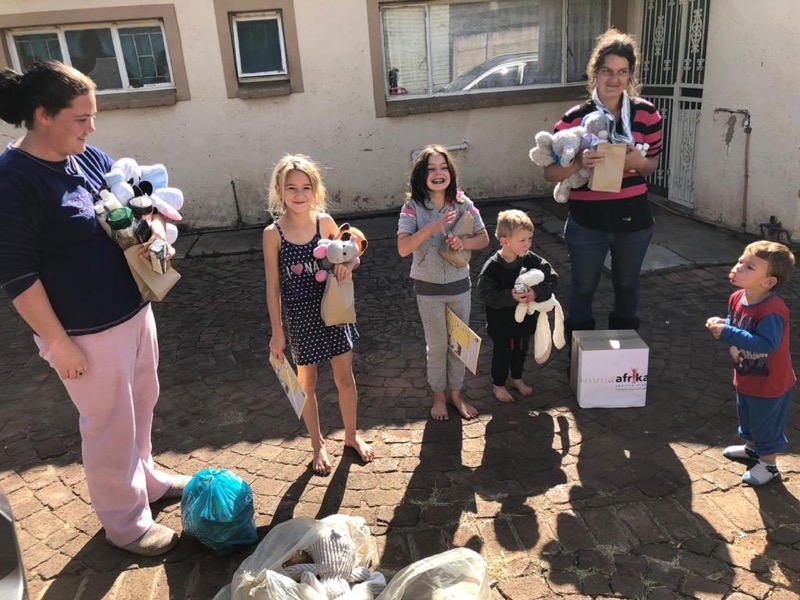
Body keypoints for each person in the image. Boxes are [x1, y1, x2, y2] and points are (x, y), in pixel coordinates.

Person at [0, 61, 189, 556]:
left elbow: (139, 200)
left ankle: (146, 479)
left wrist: (157, 230)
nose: (91, 129)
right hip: (84, 332)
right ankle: (125, 523)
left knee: (142, 401)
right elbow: (17, 275)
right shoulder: (13, 180)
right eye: (81, 119)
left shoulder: (85, 156)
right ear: (43, 115)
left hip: (133, 309)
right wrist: (58, 343)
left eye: (93, 117)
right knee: (108, 424)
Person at [542, 28, 662, 338]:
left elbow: (653, 164)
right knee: (583, 287)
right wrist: (579, 162)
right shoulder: (573, 119)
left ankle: (623, 355)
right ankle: (580, 353)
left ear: (630, 75)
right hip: (587, 221)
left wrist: (638, 163)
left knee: (627, 286)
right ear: (595, 72)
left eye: (622, 72)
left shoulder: (647, 115)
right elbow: (550, 174)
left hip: (634, 220)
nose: (614, 79)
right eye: (607, 71)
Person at [263, 154, 373, 475]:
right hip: (300, 317)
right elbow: (273, 286)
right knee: (306, 383)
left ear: (315, 189)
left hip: (333, 309)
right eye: (292, 188)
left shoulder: (324, 222)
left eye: (306, 187)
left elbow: (350, 254)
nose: (299, 194)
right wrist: (277, 331)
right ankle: (317, 443)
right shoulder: (273, 233)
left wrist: (347, 265)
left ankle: (350, 435)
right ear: (279, 190)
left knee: (344, 378)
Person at [397, 145, 489, 420]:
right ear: (420, 176)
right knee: (437, 347)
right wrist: (432, 227)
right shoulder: (411, 207)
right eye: (431, 169)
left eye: (443, 167)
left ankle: (456, 395)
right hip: (428, 290)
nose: (438, 173)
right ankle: (439, 397)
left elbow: (484, 238)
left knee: (459, 346)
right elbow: (403, 248)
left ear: (451, 172)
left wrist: (464, 243)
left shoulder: (463, 203)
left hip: (460, 286)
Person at [706, 241, 796, 486]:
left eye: (749, 267)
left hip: (771, 383)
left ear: (768, 282)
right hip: (747, 375)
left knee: (766, 422)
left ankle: (769, 465)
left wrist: (727, 332)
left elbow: (767, 344)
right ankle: (752, 449)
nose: (739, 267)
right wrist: (723, 322)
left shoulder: (772, 310)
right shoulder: (737, 297)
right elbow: (737, 322)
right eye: (740, 261)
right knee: (747, 415)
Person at [477, 210, 558, 403]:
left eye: (530, 239)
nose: (527, 244)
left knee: (521, 351)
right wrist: (510, 296)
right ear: (505, 242)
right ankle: (498, 384)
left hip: (525, 322)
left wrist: (536, 293)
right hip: (501, 324)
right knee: (503, 353)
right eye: (522, 240)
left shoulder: (532, 260)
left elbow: (552, 278)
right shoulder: (492, 267)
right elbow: (486, 294)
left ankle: (517, 378)